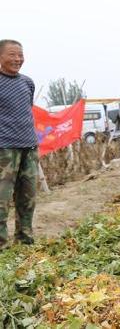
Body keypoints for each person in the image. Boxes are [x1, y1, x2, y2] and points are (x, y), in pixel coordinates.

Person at [0, 39, 38, 250]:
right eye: (12, 55)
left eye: (20, 55)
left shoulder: (27, 82)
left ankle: (25, 241)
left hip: (29, 147)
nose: (17, 59)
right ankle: (1, 245)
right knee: (1, 199)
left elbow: (26, 109)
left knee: (28, 197)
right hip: (4, 149)